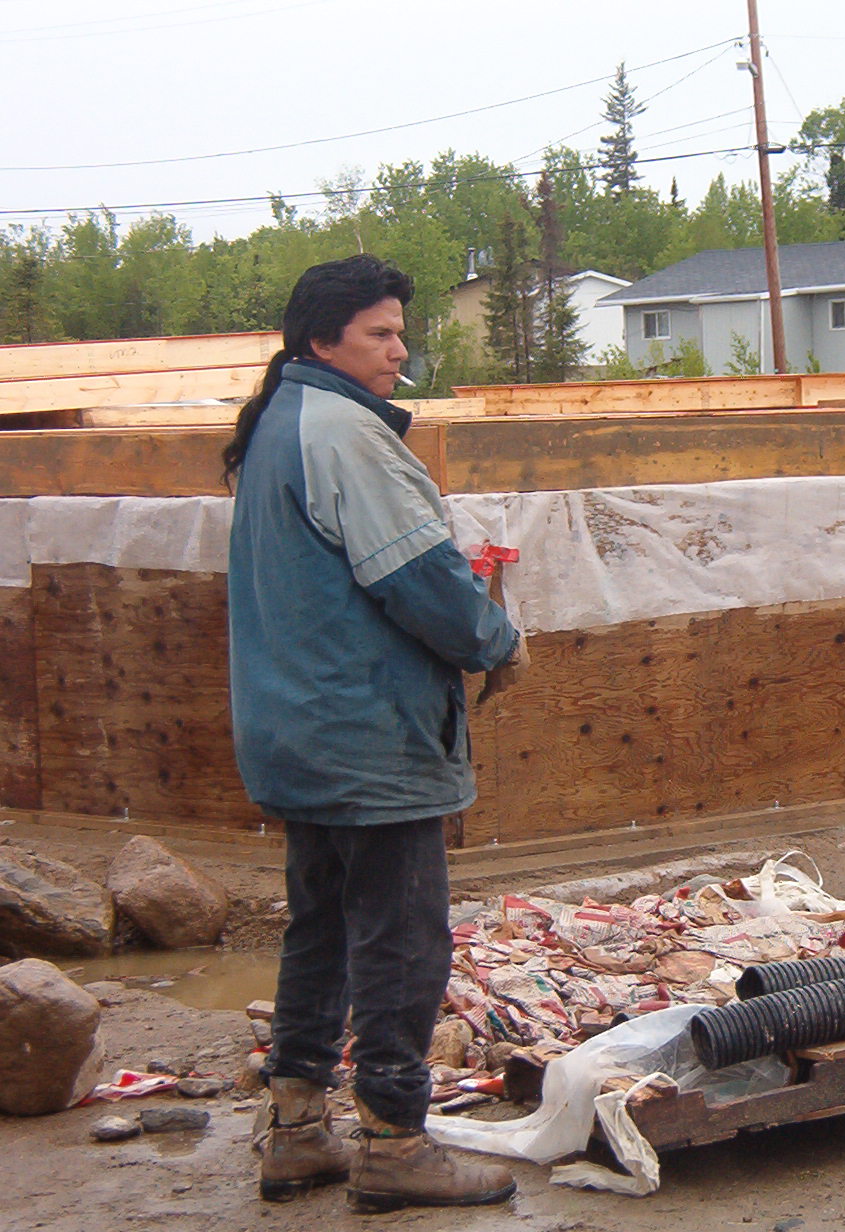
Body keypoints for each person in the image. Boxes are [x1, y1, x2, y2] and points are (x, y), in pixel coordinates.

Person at [224, 254, 526, 1210]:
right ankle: (395, 1143)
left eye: (400, 331)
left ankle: (297, 1131)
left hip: (299, 729)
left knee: (319, 929)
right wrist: (496, 639)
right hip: (368, 735)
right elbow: (421, 582)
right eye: (380, 334)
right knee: (400, 938)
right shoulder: (348, 434)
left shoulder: (281, 422)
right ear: (323, 342)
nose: (401, 350)